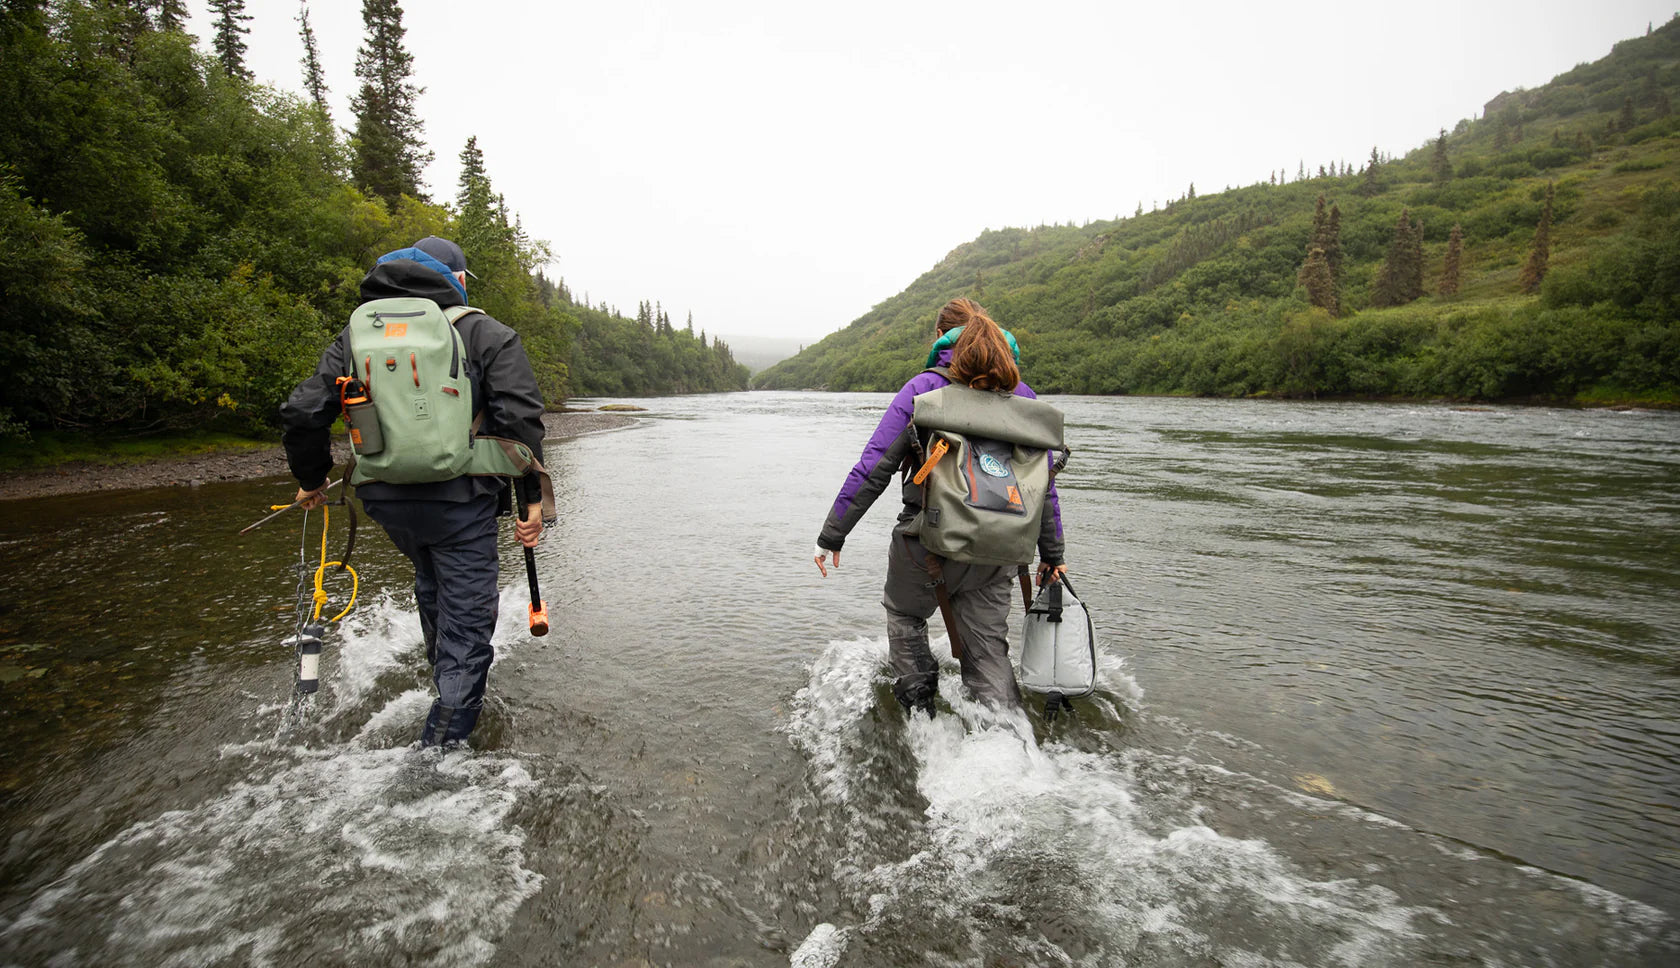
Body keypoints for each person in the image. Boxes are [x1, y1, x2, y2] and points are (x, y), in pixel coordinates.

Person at [280, 236, 548, 747]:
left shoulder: (358, 334)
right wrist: (531, 501)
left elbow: (303, 412)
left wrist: (312, 480)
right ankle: (439, 756)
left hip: (387, 500)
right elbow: (520, 422)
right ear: (459, 280)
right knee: (467, 624)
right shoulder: (486, 333)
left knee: (432, 580)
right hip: (462, 500)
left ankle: (444, 685)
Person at [813, 297, 1066, 714]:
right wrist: (1053, 554)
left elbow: (874, 466)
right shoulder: (1024, 397)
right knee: (988, 652)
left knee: (905, 616)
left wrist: (832, 535)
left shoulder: (923, 389)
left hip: (925, 542)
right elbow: (1044, 486)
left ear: (940, 337)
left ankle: (920, 715)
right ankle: (1009, 737)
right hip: (999, 549)